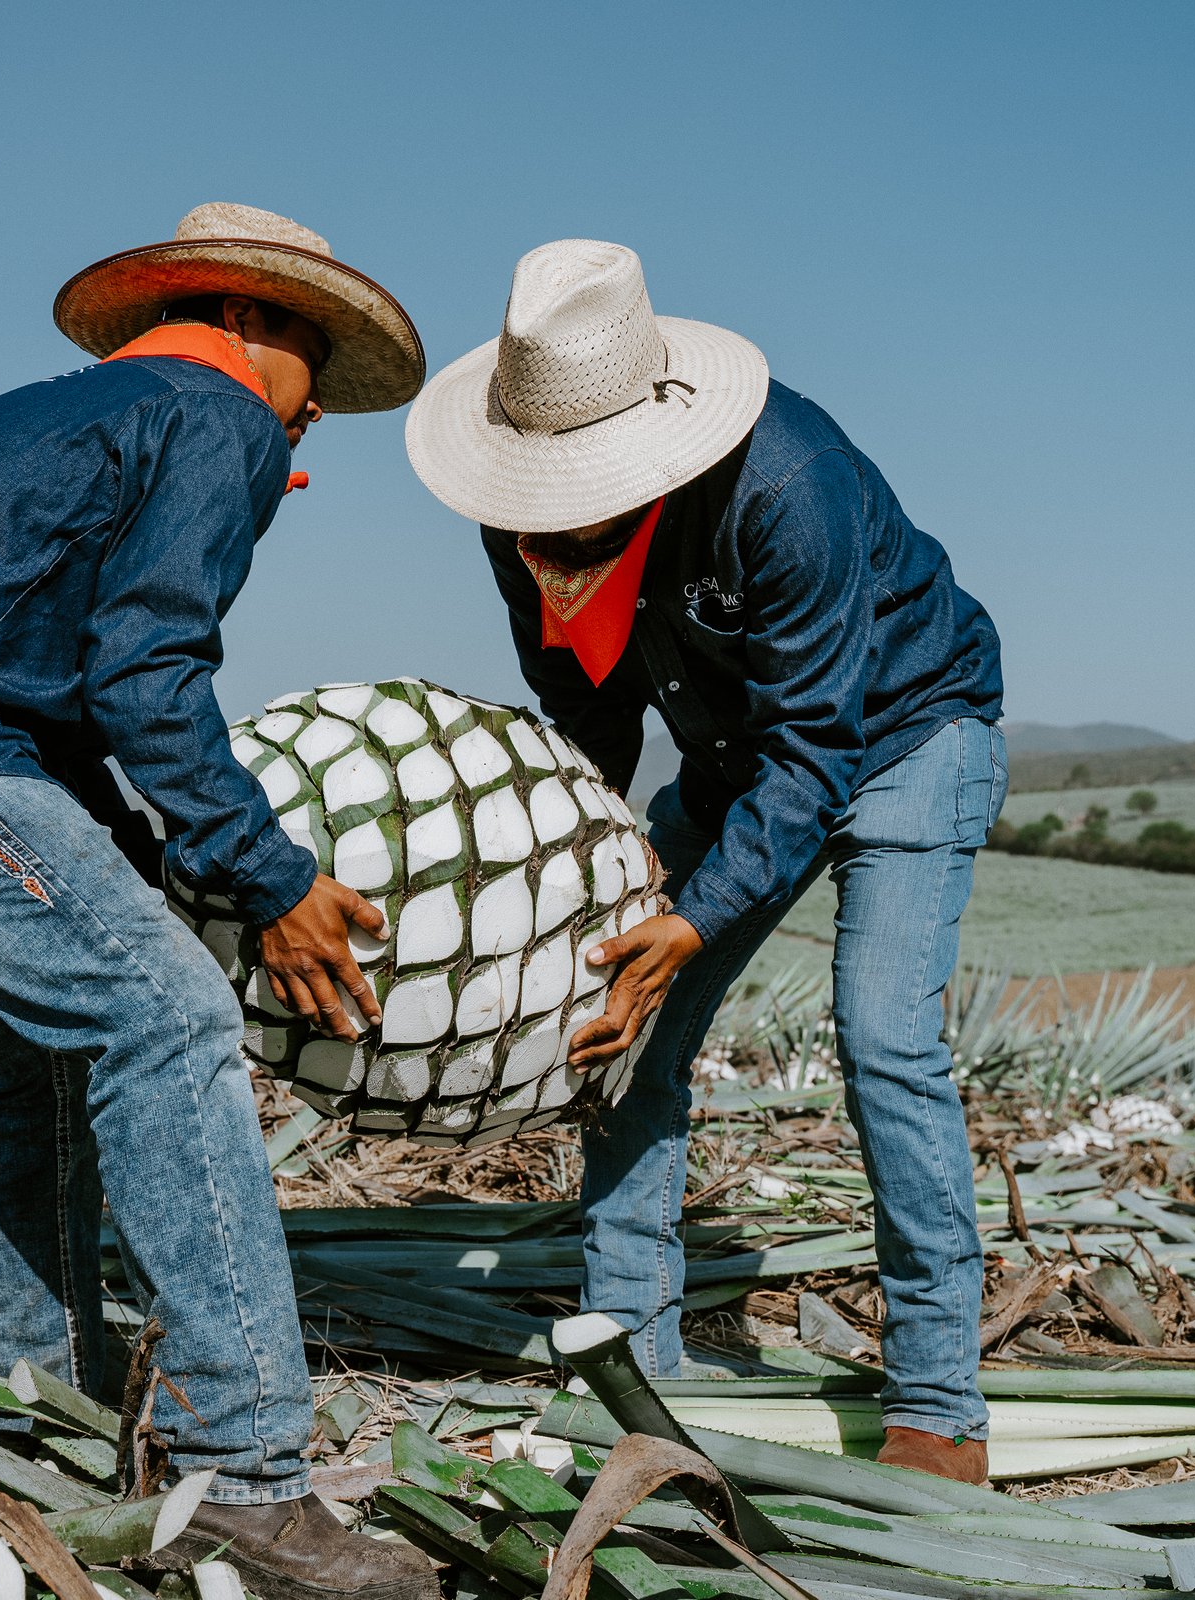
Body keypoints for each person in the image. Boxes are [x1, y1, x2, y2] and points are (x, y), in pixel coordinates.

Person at [0, 204, 436, 1600]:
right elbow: (148, 675)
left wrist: (155, 861)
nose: (310, 423)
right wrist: (273, 881)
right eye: (314, 377)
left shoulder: (88, 412)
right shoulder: (217, 415)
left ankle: (25, 1419)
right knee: (168, 1017)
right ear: (252, 322)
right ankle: (248, 1478)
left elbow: (59, 696)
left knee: (40, 1069)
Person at [404, 240, 1007, 1484]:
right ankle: (633, 1361)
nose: (545, 524)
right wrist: (569, 864)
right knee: (619, 1024)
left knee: (884, 1038)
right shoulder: (520, 519)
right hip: (736, 759)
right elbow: (588, 715)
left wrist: (691, 920)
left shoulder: (787, 484)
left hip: (905, 735)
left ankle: (940, 1404)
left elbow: (817, 748)